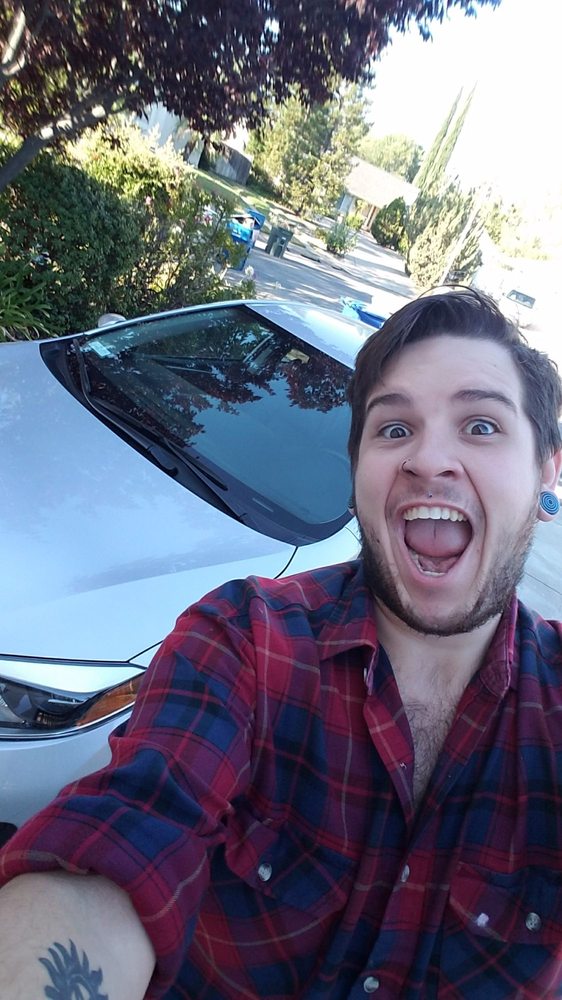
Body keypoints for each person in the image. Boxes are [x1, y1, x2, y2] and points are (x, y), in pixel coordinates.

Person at [0, 287, 561, 999]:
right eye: (394, 428)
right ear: (357, 469)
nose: (429, 459)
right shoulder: (244, 643)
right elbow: (121, 840)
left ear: (548, 470)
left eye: (480, 426)